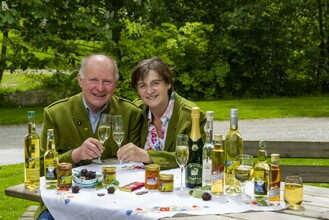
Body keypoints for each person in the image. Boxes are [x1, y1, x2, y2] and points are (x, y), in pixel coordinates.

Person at [35, 54, 142, 219]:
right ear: (80, 80)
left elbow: (138, 169)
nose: (100, 88)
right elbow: (40, 168)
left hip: (115, 202)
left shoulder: (131, 114)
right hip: (63, 201)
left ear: (116, 84)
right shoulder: (56, 114)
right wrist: (75, 155)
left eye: (107, 81)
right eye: (93, 80)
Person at [117, 57, 206, 169]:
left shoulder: (191, 115)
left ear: (168, 83)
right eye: (142, 85)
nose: (149, 91)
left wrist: (148, 156)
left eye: (155, 83)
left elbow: (195, 157)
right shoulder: (136, 111)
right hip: (140, 182)